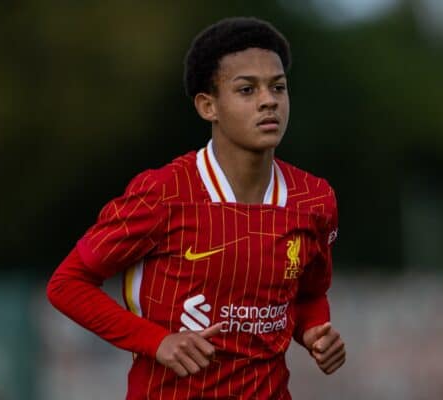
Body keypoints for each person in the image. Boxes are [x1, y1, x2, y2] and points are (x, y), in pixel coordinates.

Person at [47, 16, 345, 399]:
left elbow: (308, 296)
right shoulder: (164, 193)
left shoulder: (314, 199)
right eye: (247, 89)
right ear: (208, 106)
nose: (268, 100)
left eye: (278, 87)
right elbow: (66, 285)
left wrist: (315, 333)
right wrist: (157, 341)